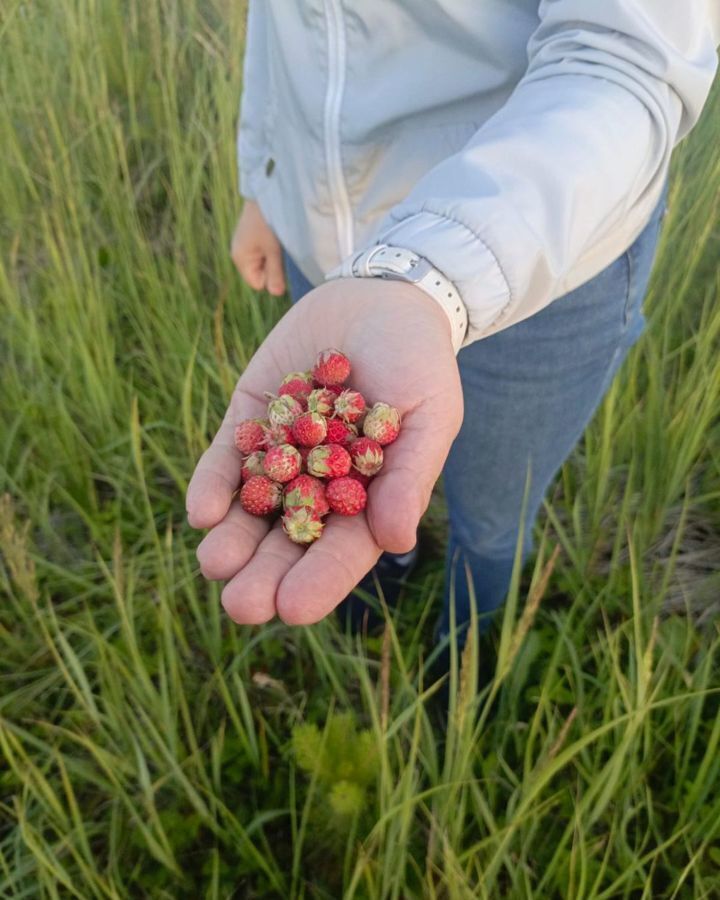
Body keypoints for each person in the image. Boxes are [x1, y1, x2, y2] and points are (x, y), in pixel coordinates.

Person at [187, 2, 719, 660]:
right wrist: (263, 179)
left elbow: (631, 55)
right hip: (325, 236)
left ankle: (466, 651)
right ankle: (385, 572)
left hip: (544, 250)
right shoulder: (319, 417)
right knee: (373, 504)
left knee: (494, 519)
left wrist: (429, 272)